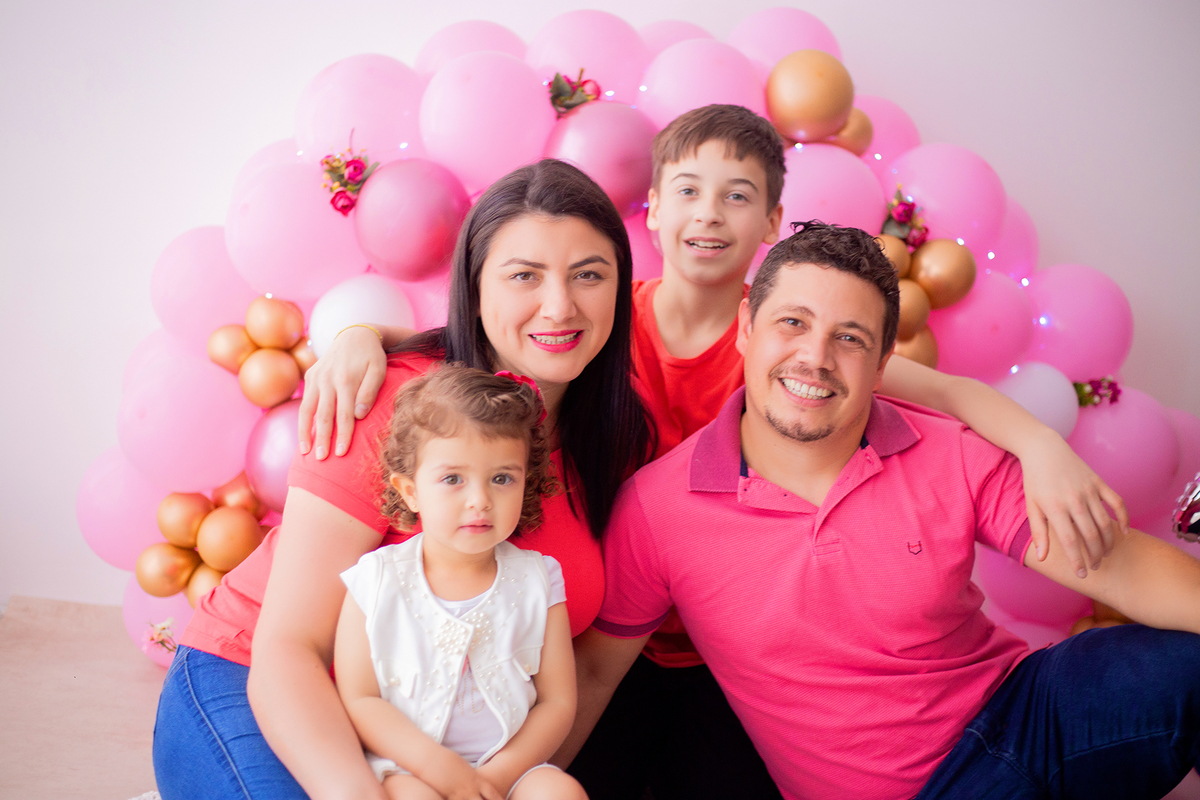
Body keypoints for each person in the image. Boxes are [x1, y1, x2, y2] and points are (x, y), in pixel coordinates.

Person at [302, 106, 1128, 798]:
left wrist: (1039, 442)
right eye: (689, 191)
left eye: (738, 197)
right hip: (611, 633)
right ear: (654, 211)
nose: (709, 215)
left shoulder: (784, 349)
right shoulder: (596, 323)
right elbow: (480, 340)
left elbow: (939, 391)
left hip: (743, 654)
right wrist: (361, 333)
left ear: (771, 221)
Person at [563, 221, 1200, 800]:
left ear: (882, 362)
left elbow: (1124, 568)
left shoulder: (947, 449)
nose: (815, 357)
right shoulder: (657, 508)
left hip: (1025, 716)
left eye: (849, 338)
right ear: (746, 327)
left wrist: (1040, 444)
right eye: (792, 323)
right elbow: (592, 675)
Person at [152, 159, 651, 800]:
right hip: (260, 683)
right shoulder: (392, 398)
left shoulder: (616, 441)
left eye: (589, 274)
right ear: (475, 287)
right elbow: (289, 650)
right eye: (524, 275)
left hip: (444, 749)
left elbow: (570, 682)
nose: (559, 306)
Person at [334, 366, 587, 800]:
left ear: (525, 483)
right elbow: (360, 698)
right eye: (453, 479)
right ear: (411, 491)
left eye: (502, 478)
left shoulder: (538, 580)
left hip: (507, 769)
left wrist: (496, 777)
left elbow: (558, 702)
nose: (479, 500)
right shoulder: (376, 580)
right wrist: (439, 769)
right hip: (409, 770)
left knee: (560, 793)